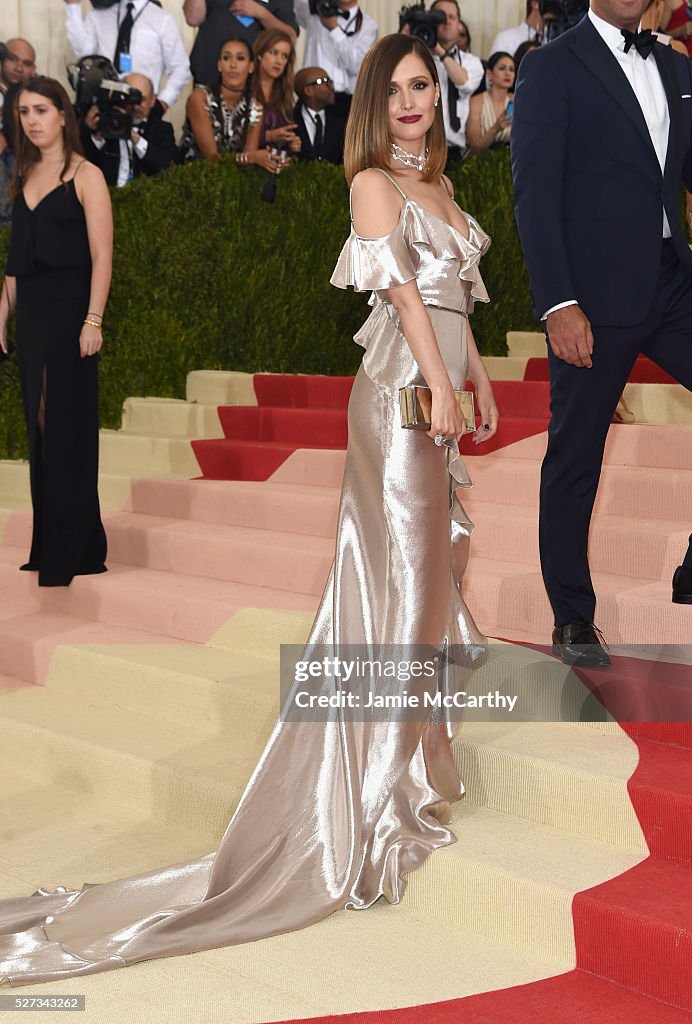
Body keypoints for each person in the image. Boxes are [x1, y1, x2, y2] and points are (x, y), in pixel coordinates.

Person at [0, 32, 499, 988]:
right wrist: (439, 385)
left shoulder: (439, 186)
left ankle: (402, 768)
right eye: (394, 88)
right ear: (370, 100)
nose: (411, 103)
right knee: (398, 591)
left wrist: (475, 381)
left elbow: (456, 299)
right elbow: (399, 296)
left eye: (422, 86)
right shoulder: (369, 183)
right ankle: (374, 803)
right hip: (397, 408)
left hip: (435, 401)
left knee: (432, 581)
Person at [511, 0, 692, 667]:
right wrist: (558, 302)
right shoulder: (549, 67)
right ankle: (572, 617)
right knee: (575, 459)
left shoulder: (676, 66)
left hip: (673, 280)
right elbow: (535, 193)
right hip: (591, 298)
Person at [0, 76, 111, 589]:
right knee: (39, 427)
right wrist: (1, 313)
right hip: (35, 315)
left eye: (41, 110)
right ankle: (51, 543)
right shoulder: (22, 174)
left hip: (71, 312)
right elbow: (16, 264)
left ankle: (76, 545)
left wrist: (94, 319)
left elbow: (102, 255)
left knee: (64, 422)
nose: (33, 121)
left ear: (63, 114)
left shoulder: (85, 175)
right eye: (24, 112)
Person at [63, 0, 190, 112]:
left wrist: (163, 102)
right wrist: (73, 7)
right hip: (104, 103)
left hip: (141, 105)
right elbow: (85, 56)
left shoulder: (162, 19)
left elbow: (180, 68)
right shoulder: (98, 14)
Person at [179, 37, 280, 170]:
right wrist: (251, 157)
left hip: (232, 179)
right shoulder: (200, 98)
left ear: (251, 67)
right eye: (227, 58)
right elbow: (211, 158)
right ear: (219, 65)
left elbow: (247, 163)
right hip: (193, 177)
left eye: (240, 58)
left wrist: (268, 160)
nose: (233, 65)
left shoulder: (255, 107)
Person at [81, 73, 177, 186]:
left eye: (141, 100)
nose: (136, 106)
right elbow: (82, 161)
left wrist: (133, 136)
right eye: (131, 99)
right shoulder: (106, 122)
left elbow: (166, 167)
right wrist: (93, 133)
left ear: (152, 101)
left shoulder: (162, 130)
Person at [294, 0, 378, 120]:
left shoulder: (368, 25)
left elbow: (359, 65)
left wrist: (334, 29)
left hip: (346, 101)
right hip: (311, 95)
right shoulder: (314, 12)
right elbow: (294, 6)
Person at [183, 0, 298, 87]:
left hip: (253, 84)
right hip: (208, 75)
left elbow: (290, 37)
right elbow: (193, 19)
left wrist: (261, 13)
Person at [429, 0, 484, 161]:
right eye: (441, 16)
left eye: (452, 17)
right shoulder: (418, 58)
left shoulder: (471, 62)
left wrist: (439, 50)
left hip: (452, 153)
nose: (447, 21)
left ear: (459, 24)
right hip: (419, 148)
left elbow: (465, 84)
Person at [250, 29, 301, 155]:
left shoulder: (285, 94)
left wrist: (292, 143)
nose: (279, 61)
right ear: (260, 54)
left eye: (284, 56)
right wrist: (268, 136)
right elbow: (234, 137)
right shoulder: (245, 89)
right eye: (274, 53)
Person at [293, 66, 345, 163]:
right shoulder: (289, 122)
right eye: (325, 81)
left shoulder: (341, 125)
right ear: (308, 90)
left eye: (331, 81)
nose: (332, 87)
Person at [465, 51, 515, 153]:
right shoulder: (476, 102)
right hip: (480, 163)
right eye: (502, 68)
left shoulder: (517, 100)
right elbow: (475, 147)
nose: (507, 73)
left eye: (511, 69)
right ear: (489, 74)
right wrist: (495, 129)